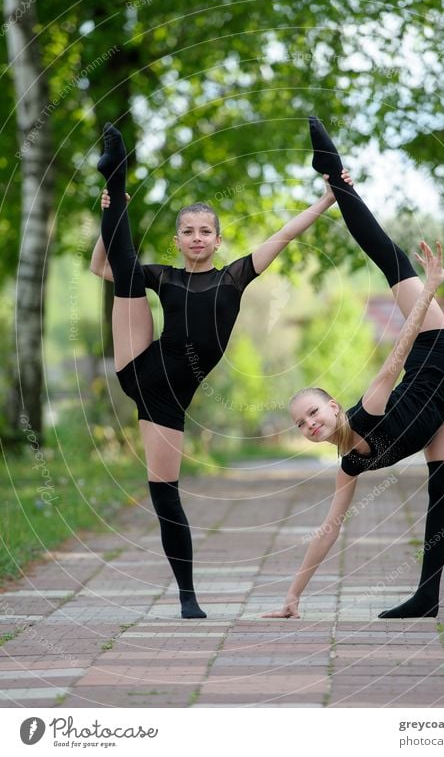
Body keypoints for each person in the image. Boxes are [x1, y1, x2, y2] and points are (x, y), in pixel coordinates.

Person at [90, 122, 336, 618]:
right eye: (187, 231)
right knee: (129, 275)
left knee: (165, 493)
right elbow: (104, 268)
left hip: (165, 400)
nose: (196, 237)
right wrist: (107, 215)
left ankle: (187, 597)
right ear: (178, 240)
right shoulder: (166, 276)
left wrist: (328, 199)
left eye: (205, 231)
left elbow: (285, 234)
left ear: (218, 240)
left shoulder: (235, 277)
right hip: (140, 363)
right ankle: (115, 179)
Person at [265, 117, 444, 620]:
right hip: (440, 403)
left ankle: (335, 176)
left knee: (386, 255)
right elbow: (329, 528)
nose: (310, 424)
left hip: (429, 349)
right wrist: (292, 598)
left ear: (332, 406)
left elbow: (397, 354)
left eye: (313, 412)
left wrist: (431, 288)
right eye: (302, 424)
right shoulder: (349, 465)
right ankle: (429, 597)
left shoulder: (367, 412)